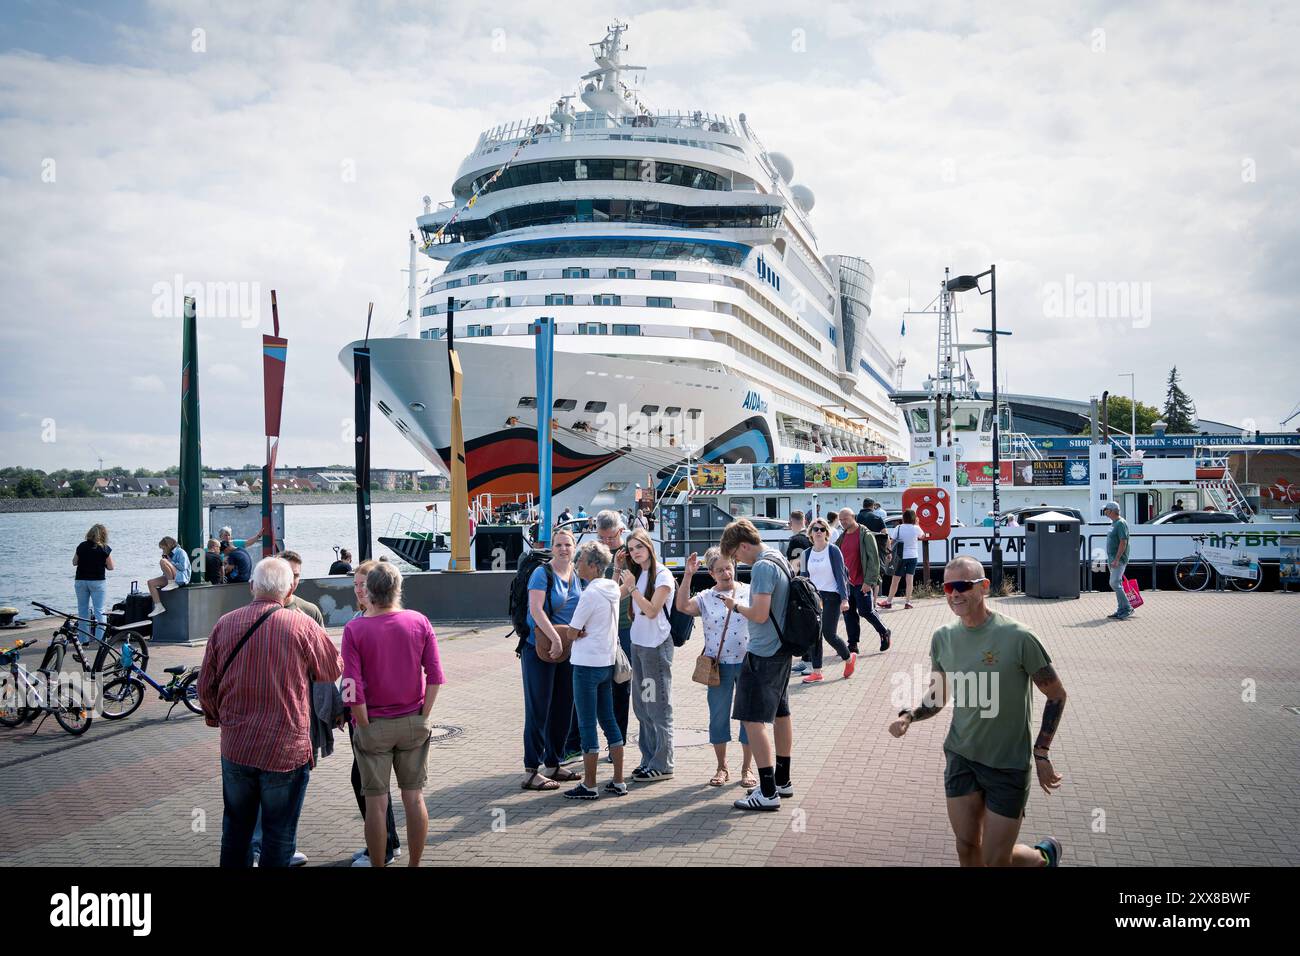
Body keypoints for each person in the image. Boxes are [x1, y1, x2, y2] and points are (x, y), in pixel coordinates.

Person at [888, 555, 1067, 867]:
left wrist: (1041, 752)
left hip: (1007, 763)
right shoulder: (943, 637)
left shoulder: (1019, 636)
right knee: (967, 847)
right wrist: (909, 716)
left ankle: (1041, 858)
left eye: (962, 585)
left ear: (983, 587)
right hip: (961, 756)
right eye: (947, 587)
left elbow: (1056, 695)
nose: (954, 593)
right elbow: (939, 694)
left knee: (996, 859)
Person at [198, 558, 343, 867]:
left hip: (237, 745)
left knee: (236, 829)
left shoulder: (225, 623)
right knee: (279, 834)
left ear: (252, 586)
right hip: (285, 748)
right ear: (290, 588)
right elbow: (331, 668)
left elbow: (205, 685)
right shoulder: (303, 624)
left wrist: (217, 718)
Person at [343, 562, 443, 867]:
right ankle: (414, 863)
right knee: (414, 798)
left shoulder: (355, 629)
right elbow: (436, 675)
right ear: (398, 589)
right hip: (413, 721)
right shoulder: (419, 622)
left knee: (376, 803)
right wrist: (423, 714)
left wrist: (362, 722)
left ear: (369, 593)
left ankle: (378, 863)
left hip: (374, 724)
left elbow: (351, 685)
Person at [248, 549, 323, 866]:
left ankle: (282, 847)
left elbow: (323, 670)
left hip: (299, 715)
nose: (292, 581)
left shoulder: (310, 613)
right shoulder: (254, 614)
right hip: (263, 717)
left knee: (288, 792)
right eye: (288, 574)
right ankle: (257, 848)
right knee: (263, 792)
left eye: (297, 575)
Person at [720, 519, 795, 811]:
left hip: (764, 652)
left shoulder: (763, 567)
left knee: (752, 720)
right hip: (782, 649)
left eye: (736, 556)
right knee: (780, 712)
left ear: (743, 545)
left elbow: (761, 614)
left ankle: (766, 791)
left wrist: (735, 606)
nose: (738, 561)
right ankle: (783, 780)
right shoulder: (777, 556)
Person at [675, 547, 755, 788]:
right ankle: (722, 767)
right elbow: (682, 607)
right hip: (717, 666)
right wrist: (688, 575)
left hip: (747, 663)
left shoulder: (748, 592)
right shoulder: (706, 597)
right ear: (710, 573)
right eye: (719, 570)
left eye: (728, 568)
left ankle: (747, 768)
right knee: (718, 717)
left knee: (749, 718)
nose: (726, 573)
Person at [345, 560, 401, 865]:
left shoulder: (379, 621)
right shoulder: (358, 618)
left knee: (369, 783)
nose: (359, 590)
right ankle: (383, 843)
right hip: (361, 714)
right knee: (369, 782)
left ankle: (384, 848)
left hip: (373, 716)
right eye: (355, 585)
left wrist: (362, 719)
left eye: (364, 584)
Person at [562, 541, 627, 799]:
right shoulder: (611, 587)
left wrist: (574, 632)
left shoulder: (588, 594)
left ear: (592, 565)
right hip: (606, 663)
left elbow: (571, 631)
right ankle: (619, 780)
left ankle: (589, 785)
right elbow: (615, 585)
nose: (576, 565)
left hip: (586, 665)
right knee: (609, 720)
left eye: (580, 561)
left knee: (587, 724)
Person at [521, 528, 583, 791]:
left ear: (574, 548)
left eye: (567, 545)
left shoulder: (576, 575)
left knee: (563, 706)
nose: (563, 549)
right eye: (558, 545)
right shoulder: (541, 574)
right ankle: (531, 770)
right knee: (539, 708)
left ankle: (554, 763)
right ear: (552, 547)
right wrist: (555, 638)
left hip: (568, 649)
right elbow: (535, 609)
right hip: (540, 648)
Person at [622, 529, 676, 782]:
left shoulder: (662, 575)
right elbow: (616, 594)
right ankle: (648, 758)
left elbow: (653, 610)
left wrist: (633, 589)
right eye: (631, 549)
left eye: (639, 546)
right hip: (639, 644)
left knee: (657, 706)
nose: (635, 552)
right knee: (642, 707)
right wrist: (618, 569)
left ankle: (663, 763)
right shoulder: (638, 574)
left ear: (649, 546)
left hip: (655, 646)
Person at [797, 518, 856, 683]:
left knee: (829, 634)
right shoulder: (806, 554)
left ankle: (849, 658)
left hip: (832, 596)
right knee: (815, 635)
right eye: (815, 529)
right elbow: (804, 579)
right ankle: (817, 671)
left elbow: (840, 575)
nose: (818, 532)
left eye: (822, 529)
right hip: (813, 598)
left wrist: (845, 599)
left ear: (827, 533)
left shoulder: (833, 550)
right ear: (810, 533)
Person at [595, 510, 635, 746]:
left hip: (626, 627)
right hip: (602, 629)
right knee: (602, 687)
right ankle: (608, 737)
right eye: (603, 537)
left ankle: (617, 741)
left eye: (610, 537)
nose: (607, 542)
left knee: (621, 686)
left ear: (620, 531)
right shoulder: (595, 554)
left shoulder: (631, 553)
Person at [836, 508, 891, 654]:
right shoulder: (841, 537)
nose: (842, 522)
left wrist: (869, 581)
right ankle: (852, 644)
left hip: (862, 581)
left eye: (845, 519)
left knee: (866, 611)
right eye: (840, 520)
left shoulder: (865, 535)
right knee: (849, 614)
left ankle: (884, 631)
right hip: (847, 583)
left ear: (853, 517)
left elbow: (873, 560)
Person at [73, 523, 114, 643]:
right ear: (103, 535)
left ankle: (83, 639)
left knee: (83, 610)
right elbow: (111, 567)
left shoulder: (81, 546)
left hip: (81, 580)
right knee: (99, 610)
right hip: (97, 582)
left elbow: (74, 562)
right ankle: (100, 639)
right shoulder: (105, 548)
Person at [880, 509, 927, 610]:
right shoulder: (916, 528)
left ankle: (888, 601)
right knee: (909, 580)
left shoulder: (899, 527)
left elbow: (892, 540)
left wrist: (887, 551)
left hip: (900, 557)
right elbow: (922, 536)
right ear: (914, 517)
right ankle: (908, 602)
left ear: (904, 518)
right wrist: (917, 524)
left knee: (895, 580)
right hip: (913, 556)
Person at [1101, 501, 1132, 620]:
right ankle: (1121, 609)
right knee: (1116, 583)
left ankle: (1127, 608)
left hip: (1118, 559)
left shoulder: (1120, 524)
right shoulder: (1114, 523)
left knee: (1114, 583)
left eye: (1106, 510)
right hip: (1112, 558)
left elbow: (1123, 542)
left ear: (1112, 511)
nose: (1104, 512)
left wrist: (1117, 559)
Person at [147, 535, 191, 617]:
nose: (163, 551)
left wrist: (169, 562)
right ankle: (158, 606)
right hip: (172, 576)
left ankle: (171, 583)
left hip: (181, 577)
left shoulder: (180, 552)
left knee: (163, 561)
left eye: (163, 548)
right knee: (150, 583)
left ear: (168, 546)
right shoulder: (169, 554)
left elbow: (183, 567)